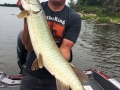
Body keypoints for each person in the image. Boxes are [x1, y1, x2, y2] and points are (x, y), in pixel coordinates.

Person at [17, 0, 82, 89]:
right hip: (32, 74)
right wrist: (26, 16)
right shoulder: (39, 8)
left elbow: (65, 49)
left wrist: (64, 75)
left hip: (55, 76)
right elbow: (28, 46)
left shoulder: (74, 18)